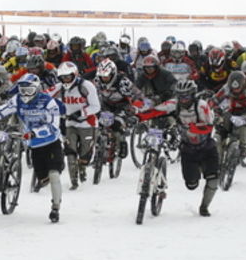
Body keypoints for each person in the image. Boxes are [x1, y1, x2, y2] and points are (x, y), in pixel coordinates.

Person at [0, 73, 64, 222]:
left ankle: (55, 208)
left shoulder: (49, 102)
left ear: (37, 89)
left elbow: (54, 126)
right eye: (22, 91)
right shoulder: (18, 100)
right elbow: (1, 111)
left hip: (50, 142)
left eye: (28, 91)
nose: (25, 94)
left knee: (54, 174)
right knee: (43, 179)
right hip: (34, 145)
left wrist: (35, 133)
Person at [135, 80, 219, 216]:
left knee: (213, 179)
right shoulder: (174, 104)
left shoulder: (202, 106)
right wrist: (138, 116)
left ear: (193, 95)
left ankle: (204, 207)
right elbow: (156, 111)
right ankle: (197, 169)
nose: (183, 99)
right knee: (191, 185)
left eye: (186, 96)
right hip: (188, 149)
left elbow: (209, 126)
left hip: (207, 148)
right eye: (180, 96)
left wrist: (194, 127)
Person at [54, 61, 101, 190]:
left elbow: (96, 106)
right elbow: (46, 94)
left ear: (74, 75)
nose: (65, 80)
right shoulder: (60, 87)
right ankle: (73, 181)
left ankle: (82, 166)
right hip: (70, 123)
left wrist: (81, 113)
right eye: (62, 77)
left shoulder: (87, 86)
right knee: (70, 149)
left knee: (85, 154)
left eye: (68, 77)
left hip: (87, 123)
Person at [94, 58, 137, 157]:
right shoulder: (97, 81)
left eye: (107, 76)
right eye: (102, 76)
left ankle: (122, 143)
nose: (104, 78)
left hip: (122, 106)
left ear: (113, 74)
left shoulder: (123, 81)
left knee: (117, 125)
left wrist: (133, 109)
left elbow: (136, 96)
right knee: (96, 124)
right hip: (105, 104)